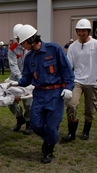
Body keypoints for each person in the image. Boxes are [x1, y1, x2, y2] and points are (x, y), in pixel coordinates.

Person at [7, 24, 75, 164]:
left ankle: (48, 149)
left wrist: (68, 88)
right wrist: (17, 83)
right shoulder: (29, 58)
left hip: (55, 94)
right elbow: (27, 78)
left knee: (51, 126)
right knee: (36, 124)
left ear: (31, 39)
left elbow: (67, 71)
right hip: (39, 94)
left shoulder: (54, 49)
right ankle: (50, 139)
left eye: (24, 43)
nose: (23, 47)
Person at [62, 19, 97, 143]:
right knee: (71, 104)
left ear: (89, 31)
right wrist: (66, 79)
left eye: (84, 31)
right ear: (76, 31)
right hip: (77, 80)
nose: (81, 33)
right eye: (79, 31)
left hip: (93, 81)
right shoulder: (73, 46)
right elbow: (69, 64)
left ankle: (86, 130)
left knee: (90, 109)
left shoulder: (96, 44)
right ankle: (71, 132)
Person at [7, 24, 32, 135]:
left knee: (29, 102)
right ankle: (19, 117)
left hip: (29, 78)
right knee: (8, 98)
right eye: (17, 38)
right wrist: (21, 80)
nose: (19, 41)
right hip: (16, 78)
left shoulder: (30, 48)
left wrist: (27, 80)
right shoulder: (12, 49)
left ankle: (29, 122)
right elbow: (13, 66)